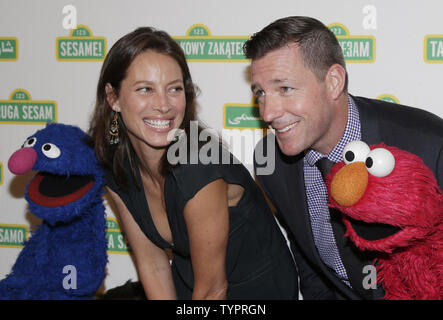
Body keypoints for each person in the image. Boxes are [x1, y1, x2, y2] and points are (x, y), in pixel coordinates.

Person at [88, 27, 298, 300]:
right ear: (113, 98)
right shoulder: (117, 166)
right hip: (190, 287)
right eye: (145, 89)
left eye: (174, 89)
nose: (163, 105)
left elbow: (213, 290)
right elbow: (152, 264)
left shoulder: (198, 164)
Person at [244, 16, 443, 299]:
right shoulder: (270, 163)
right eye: (261, 93)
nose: (267, 113)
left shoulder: (428, 145)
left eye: (284, 89)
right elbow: (309, 263)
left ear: (334, 82)